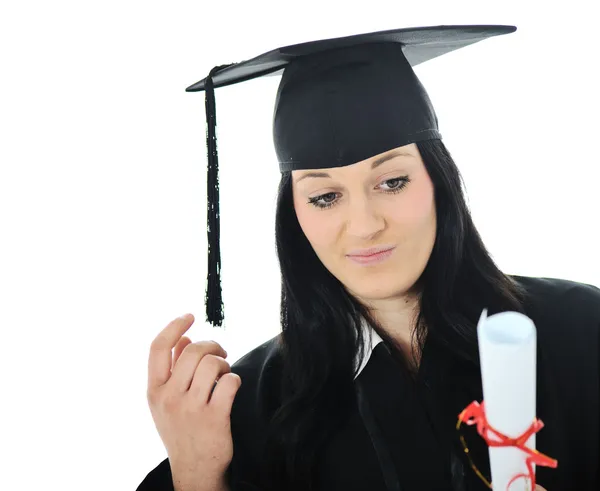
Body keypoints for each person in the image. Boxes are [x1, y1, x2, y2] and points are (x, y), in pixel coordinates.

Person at [136, 25, 600, 491]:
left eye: (392, 182)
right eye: (324, 197)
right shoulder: (252, 408)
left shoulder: (580, 331)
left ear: (439, 182)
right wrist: (196, 474)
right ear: (293, 213)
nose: (364, 225)